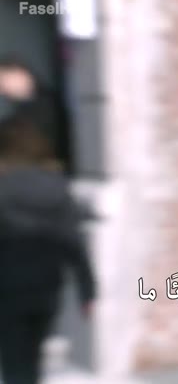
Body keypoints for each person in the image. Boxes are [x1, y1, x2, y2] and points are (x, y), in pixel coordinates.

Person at [0, 109, 95, 384]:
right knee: (32, 360)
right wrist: (87, 291)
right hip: (47, 290)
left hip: (9, 290)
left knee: (15, 364)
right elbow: (74, 243)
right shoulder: (57, 188)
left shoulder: (3, 188)